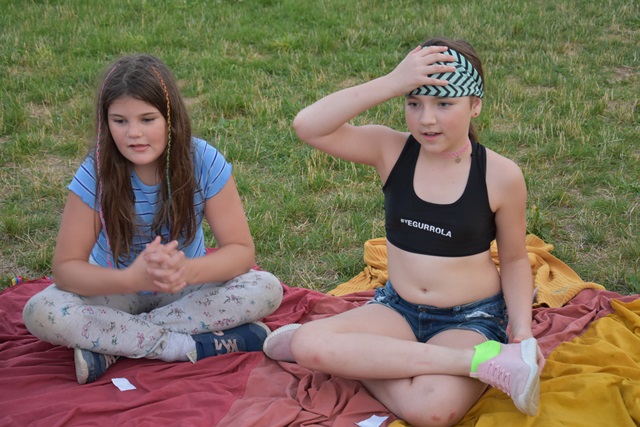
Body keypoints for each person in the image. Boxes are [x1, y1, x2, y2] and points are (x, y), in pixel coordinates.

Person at [263, 37, 544, 426]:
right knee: (307, 342)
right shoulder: (391, 150)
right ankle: (478, 363)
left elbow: (513, 260)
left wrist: (522, 331)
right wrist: (392, 82)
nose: (426, 119)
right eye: (414, 103)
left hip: (468, 318)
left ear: (475, 105)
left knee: (433, 411)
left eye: (444, 104)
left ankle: (360, 358)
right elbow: (307, 126)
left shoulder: (500, 175)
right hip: (397, 309)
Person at [22, 54, 283, 385]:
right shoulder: (96, 172)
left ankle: (114, 344)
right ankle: (186, 346)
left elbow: (241, 251)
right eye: (120, 121)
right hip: (115, 292)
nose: (134, 133)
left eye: (147, 119)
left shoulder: (204, 160)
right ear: (105, 123)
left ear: (170, 118)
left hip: (186, 289)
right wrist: (131, 279)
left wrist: (185, 271)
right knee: (40, 311)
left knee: (266, 288)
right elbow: (66, 269)